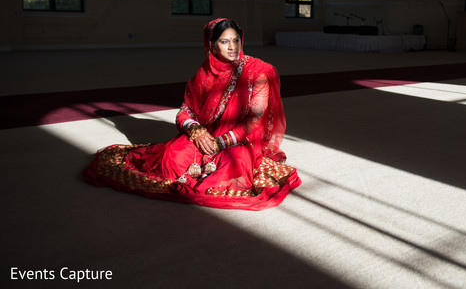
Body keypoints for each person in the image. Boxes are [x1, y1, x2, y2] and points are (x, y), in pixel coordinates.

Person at [82, 18, 301, 210]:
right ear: (211, 46)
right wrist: (196, 131)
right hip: (206, 133)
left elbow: (254, 120)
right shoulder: (204, 74)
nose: (232, 47)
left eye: (236, 40)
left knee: (233, 170)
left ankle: (216, 163)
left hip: (238, 140)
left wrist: (221, 143)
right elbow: (185, 112)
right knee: (169, 160)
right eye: (224, 42)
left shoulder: (257, 72)